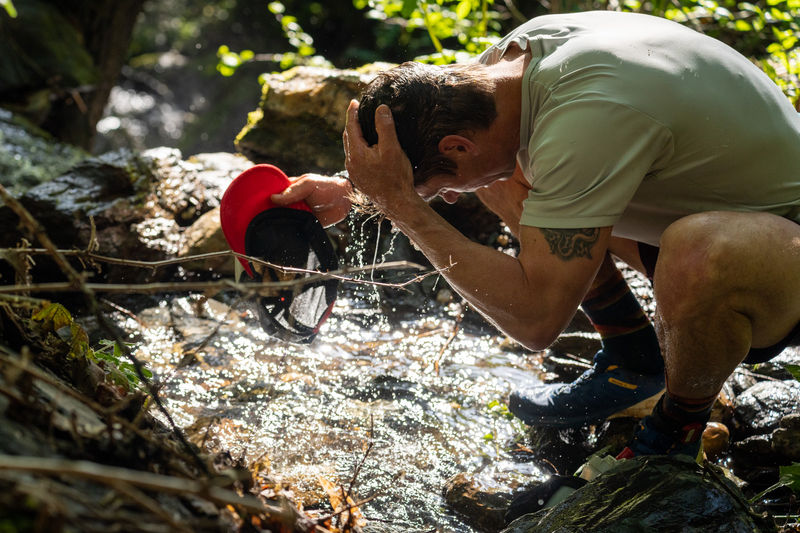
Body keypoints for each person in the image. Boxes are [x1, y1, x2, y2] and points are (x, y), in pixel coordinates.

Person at [270, 10, 800, 457]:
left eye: (442, 187)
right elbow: (469, 152)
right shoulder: (505, 70)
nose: (450, 198)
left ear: (455, 146)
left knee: (696, 254)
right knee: (505, 169)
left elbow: (536, 320)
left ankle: (674, 434)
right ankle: (633, 356)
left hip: (777, 248)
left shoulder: (587, 114)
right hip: (707, 198)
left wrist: (407, 209)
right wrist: (353, 188)